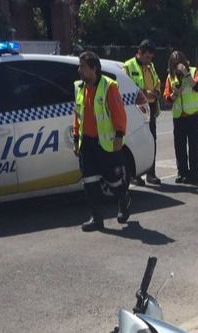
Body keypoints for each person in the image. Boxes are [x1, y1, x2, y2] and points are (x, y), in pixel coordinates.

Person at [73, 51, 131, 232]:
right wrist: (76, 138)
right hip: (87, 143)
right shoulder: (79, 88)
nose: (79, 70)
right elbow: (78, 115)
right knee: (90, 183)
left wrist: (120, 135)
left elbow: (119, 113)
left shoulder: (108, 86)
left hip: (105, 144)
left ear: (94, 69)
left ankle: (124, 200)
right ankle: (97, 219)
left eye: (82, 67)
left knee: (113, 181)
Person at [122, 40, 162, 186]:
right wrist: (146, 93)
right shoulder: (128, 66)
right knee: (136, 142)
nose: (149, 60)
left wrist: (156, 92)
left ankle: (151, 174)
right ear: (139, 52)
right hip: (135, 110)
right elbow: (127, 87)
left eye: (151, 58)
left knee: (151, 140)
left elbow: (157, 81)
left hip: (150, 108)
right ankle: (135, 174)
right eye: (147, 57)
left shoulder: (150, 66)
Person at [163, 50, 198, 186]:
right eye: (174, 65)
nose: (177, 67)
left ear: (184, 62)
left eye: (179, 64)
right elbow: (166, 98)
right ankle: (182, 173)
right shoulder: (170, 77)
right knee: (179, 147)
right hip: (179, 117)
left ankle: (194, 175)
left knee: (194, 147)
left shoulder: (193, 71)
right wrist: (174, 95)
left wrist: (187, 75)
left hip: (194, 116)